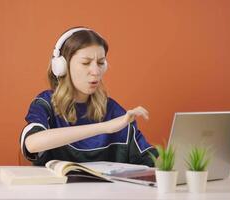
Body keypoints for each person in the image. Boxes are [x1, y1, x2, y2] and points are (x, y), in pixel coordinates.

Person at [20, 27, 158, 166]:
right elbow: (32, 144)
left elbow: (153, 161)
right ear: (62, 66)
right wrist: (105, 127)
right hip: (55, 188)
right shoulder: (45, 103)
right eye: (86, 63)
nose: (96, 71)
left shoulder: (114, 111)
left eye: (101, 62)